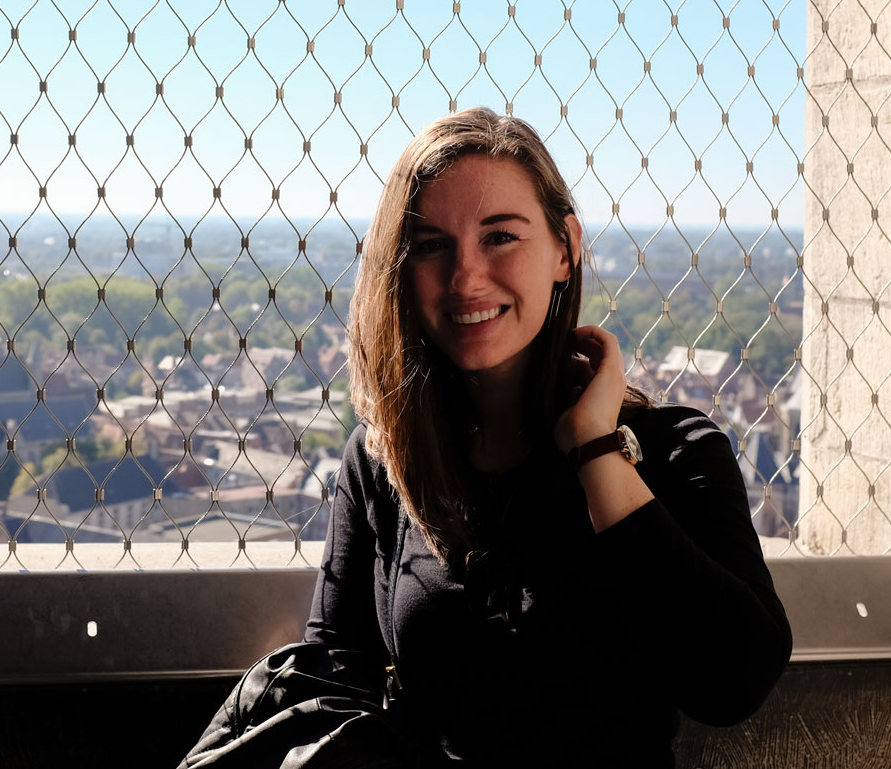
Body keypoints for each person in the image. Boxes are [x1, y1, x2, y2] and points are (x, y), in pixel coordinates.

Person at [304, 107, 791, 767]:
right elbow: (333, 679)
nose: (465, 276)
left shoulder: (675, 450)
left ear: (565, 249)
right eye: (430, 245)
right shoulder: (382, 461)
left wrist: (597, 451)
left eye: (500, 236)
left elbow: (733, 682)